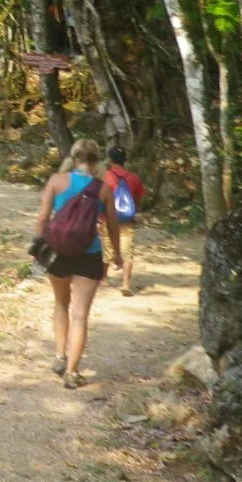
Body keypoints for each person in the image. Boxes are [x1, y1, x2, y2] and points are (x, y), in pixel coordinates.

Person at [34, 138, 122, 389]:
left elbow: (42, 218)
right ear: (97, 161)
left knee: (61, 304)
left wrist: (37, 248)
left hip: (58, 252)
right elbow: (113, 227)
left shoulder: (56, 181)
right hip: (89, 255)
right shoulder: (103, 189)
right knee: (80, 315)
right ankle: (71, 372)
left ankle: (60, 356)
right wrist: (116, 254)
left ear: (73, 158)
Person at [102, 146, 145, 296]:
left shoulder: (105, 177)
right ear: (125, 160)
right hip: (127, 220)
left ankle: (103, 279)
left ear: (109, 159)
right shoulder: (134, 178)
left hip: (108, 219)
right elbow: (138, 200)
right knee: (127, 252)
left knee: (107, 248)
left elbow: (99, 199)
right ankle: (126, 284)